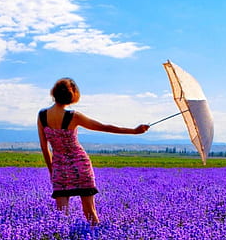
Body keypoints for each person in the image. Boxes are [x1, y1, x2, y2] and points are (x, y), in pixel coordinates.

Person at [37, 78, 149, 224]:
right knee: (89, 211)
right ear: (72, 95)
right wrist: (134, 131)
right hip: (80, 165)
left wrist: (52, 171)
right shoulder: (74, 116)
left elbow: (44, 148)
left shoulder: (42, 116)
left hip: (59, 166)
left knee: (61, 215)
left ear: (54, 93)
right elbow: (104, 127)